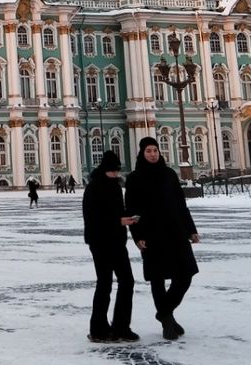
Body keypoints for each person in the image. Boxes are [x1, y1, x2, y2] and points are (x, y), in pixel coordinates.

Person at [125, 137, 200, 340]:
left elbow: (181, 204)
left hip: (175, 232)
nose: (153, 154)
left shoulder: (169, 174)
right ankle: (168, 322)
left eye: (155, 150)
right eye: (149, 151)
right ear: (142, 153)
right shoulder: (134, 178)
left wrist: (191, 229)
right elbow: (131, 210)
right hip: (151, 235)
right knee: (157, 279)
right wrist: (137, 235)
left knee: (185, 275)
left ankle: (164, 312)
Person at [82, 149, 138, 343]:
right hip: (99, 242)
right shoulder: (94, 187)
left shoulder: (114, 186)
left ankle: (121, 326)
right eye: (113, 171)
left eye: (117, 171)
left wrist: (129, 217)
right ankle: (98, 329)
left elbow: (118, 211)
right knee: (104, 284)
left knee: (127, 281)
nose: (116, 174)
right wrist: (118, 221)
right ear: (105, 170)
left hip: (116, 241)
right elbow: (92, 218)